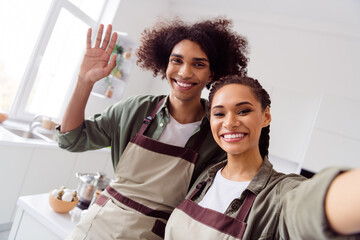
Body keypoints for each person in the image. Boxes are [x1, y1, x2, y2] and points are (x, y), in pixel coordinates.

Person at [57, 18, 249, 239]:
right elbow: (71, 140)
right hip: (97, 228)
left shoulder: (217, 134)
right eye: (177, 60)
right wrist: (84, 81)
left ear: (211, 74)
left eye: (198, 64)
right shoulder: (135, 109)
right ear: (165, 64)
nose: (185, 72)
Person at [164, 75, 360, 239]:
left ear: (266, 116)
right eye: (219, 114)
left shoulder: (279, 194)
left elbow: (309, 206)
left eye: (243, 111)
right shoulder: (204, 175)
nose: (230, 122)